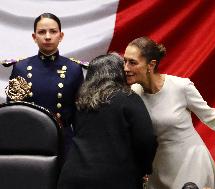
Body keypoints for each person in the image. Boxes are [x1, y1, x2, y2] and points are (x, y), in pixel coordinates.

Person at [123, 36, 215, 189]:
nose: (126, 68)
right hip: (159, 170)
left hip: (192, 164)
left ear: (151, 65)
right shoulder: (133, 93)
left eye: (132, 62)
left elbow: (212, 118)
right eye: (125, 61)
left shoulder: (181, 86)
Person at [57, 53, 157, 189]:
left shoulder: (81, 102)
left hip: (73, 177)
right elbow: (147, 139)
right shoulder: (128, 98)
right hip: (115, 178)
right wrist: (144, 168)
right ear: (118, 72)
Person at [1, 13, 85, 156]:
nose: (47, 36)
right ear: (34, 37)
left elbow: (80, 116)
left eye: (53, 31)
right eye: (42, 32)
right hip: (29, 140)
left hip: (63, 141)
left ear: (61, 35)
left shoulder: (74, 69)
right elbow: (13, 113)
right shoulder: (21, 68)